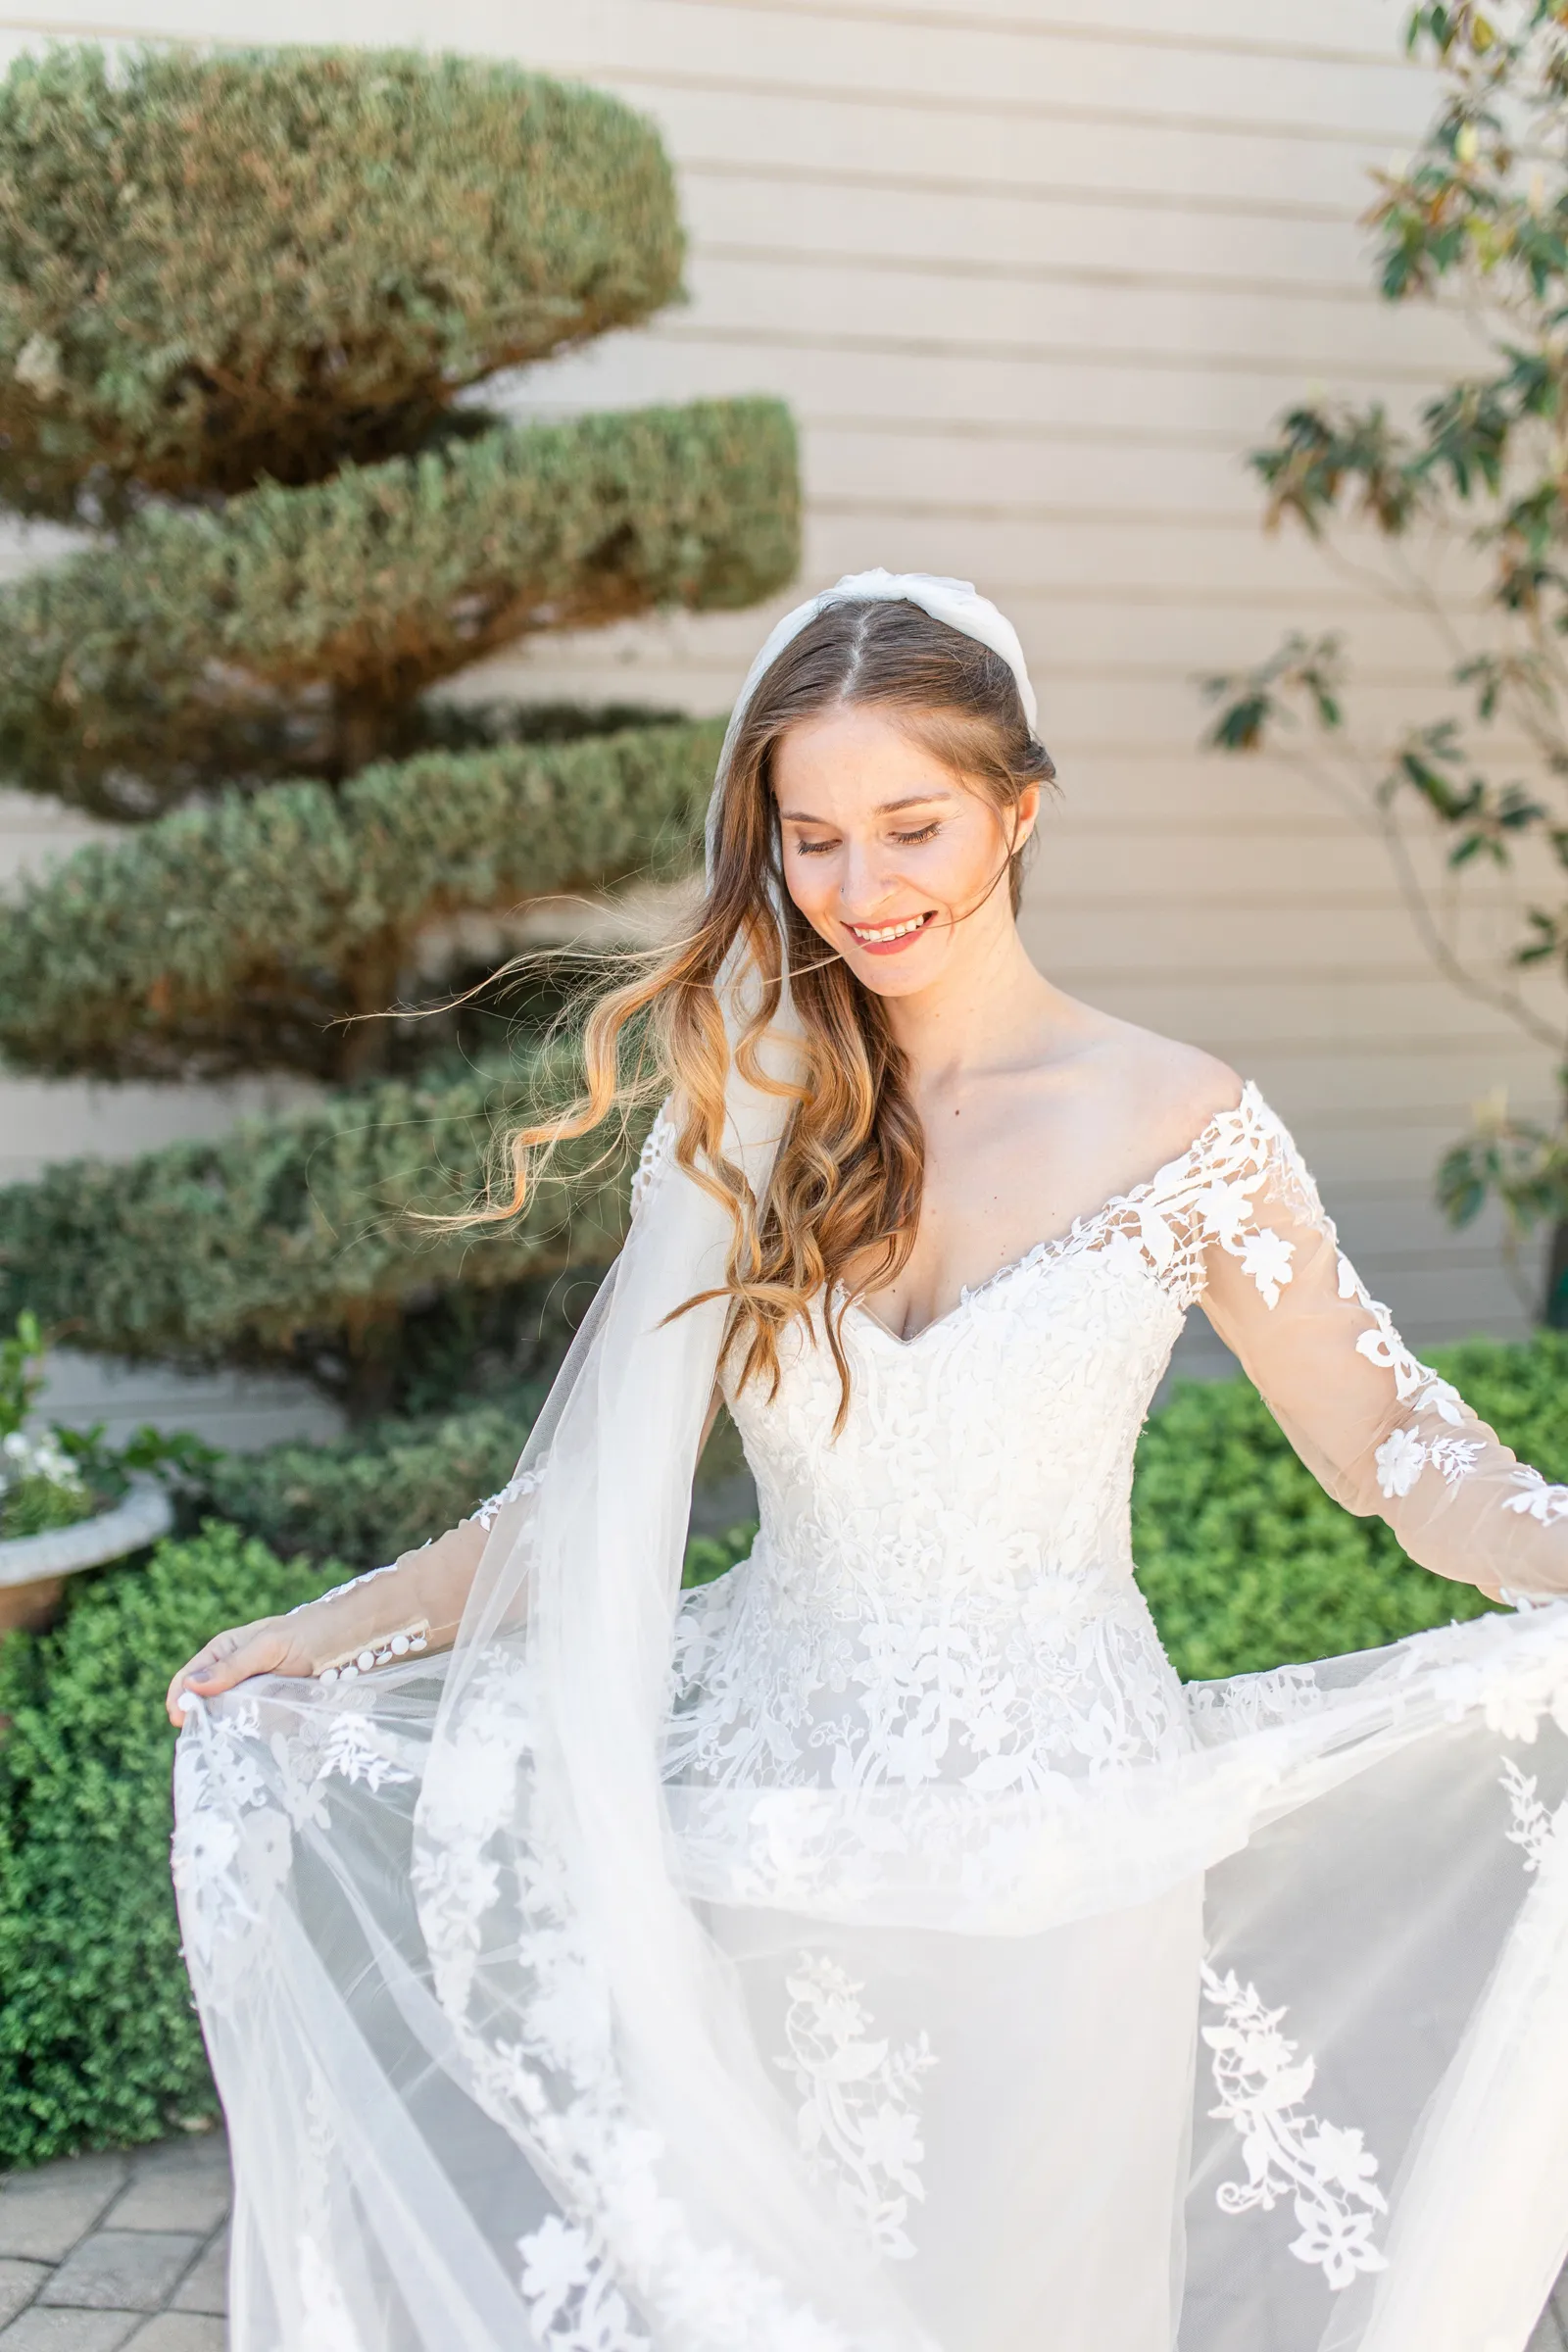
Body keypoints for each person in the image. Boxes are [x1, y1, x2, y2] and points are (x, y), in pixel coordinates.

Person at [168, 572, 1568, 2352]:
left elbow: (1384, 1445)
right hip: (767, 1837)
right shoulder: (754, 1119)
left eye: (912, 825)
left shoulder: (1183, 1124)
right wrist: (330, 1633)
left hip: (1071, 1833)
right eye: (811, 838)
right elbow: (594, 1503)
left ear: (1018, 807)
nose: (862, 887)